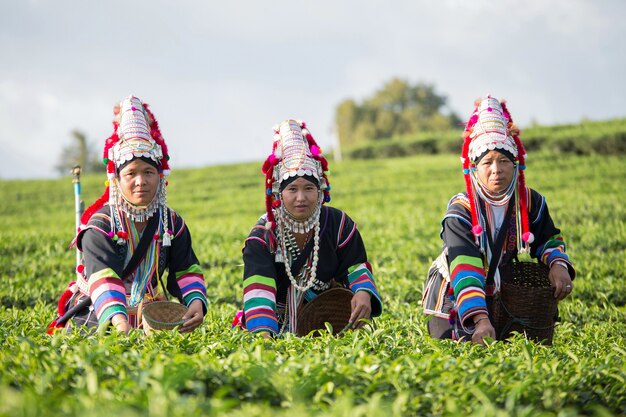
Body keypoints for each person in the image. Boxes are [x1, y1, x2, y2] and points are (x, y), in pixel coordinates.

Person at [48, 95, 207, 334]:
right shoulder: (101, 226)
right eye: (131, 173)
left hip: (150, 314)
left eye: (148, 172)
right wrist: (120, 323)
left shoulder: (171, 223)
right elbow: (104, 277)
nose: (140, 181)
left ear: (160, 177)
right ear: (117, 180)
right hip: (97, 313)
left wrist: (196, 303)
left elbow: (185, 269)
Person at [424, 96, 575, 345]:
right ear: (474, 168)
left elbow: (548, 236)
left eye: (504, 160)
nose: (497, 169)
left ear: (516, 164)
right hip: (456, 293)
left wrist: (558, 264)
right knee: (457, 350)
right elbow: (465, 265)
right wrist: (481, 320)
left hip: (504, 291)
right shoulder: (461, 211)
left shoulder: (529, 200)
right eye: (487, 162)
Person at [234, 119, 382, 337]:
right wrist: (265, 342)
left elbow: (355, 267)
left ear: (320, 190)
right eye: (292, 189)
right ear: (278, 193)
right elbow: (259, 290)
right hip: (275, 324)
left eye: (309, 188)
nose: (301, 198)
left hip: (329, 317)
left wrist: (363, 292)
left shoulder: (338, 224)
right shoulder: (264, 235)